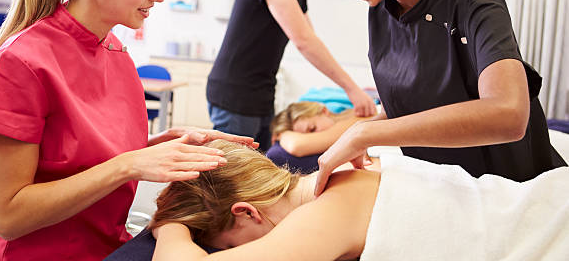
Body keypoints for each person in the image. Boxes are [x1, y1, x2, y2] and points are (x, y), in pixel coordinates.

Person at [0, 0, 256, 261]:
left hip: (104, 247)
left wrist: (163, 146)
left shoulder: (114, 50)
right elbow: (9, 216)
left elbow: (72, 156)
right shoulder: (19, 64)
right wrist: (129, 164)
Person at [309, 0, 565, 195]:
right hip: (446, 187)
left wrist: (367, 133)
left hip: (508, 190)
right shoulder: (381, 11)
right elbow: (416, 103)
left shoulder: (473, 0)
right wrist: (359, 133)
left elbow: (509, 114)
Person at [148, 140, 569, 260]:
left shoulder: (324, 213)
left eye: (227, 246)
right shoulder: (348, 172)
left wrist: (168, 226)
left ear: (245, 211)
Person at [206, 0, 376, 151]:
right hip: (235, 95)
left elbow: (311, 39)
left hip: (262, 94)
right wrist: (352, 89)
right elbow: (303, 42)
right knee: (233, 178)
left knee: (259, 170)